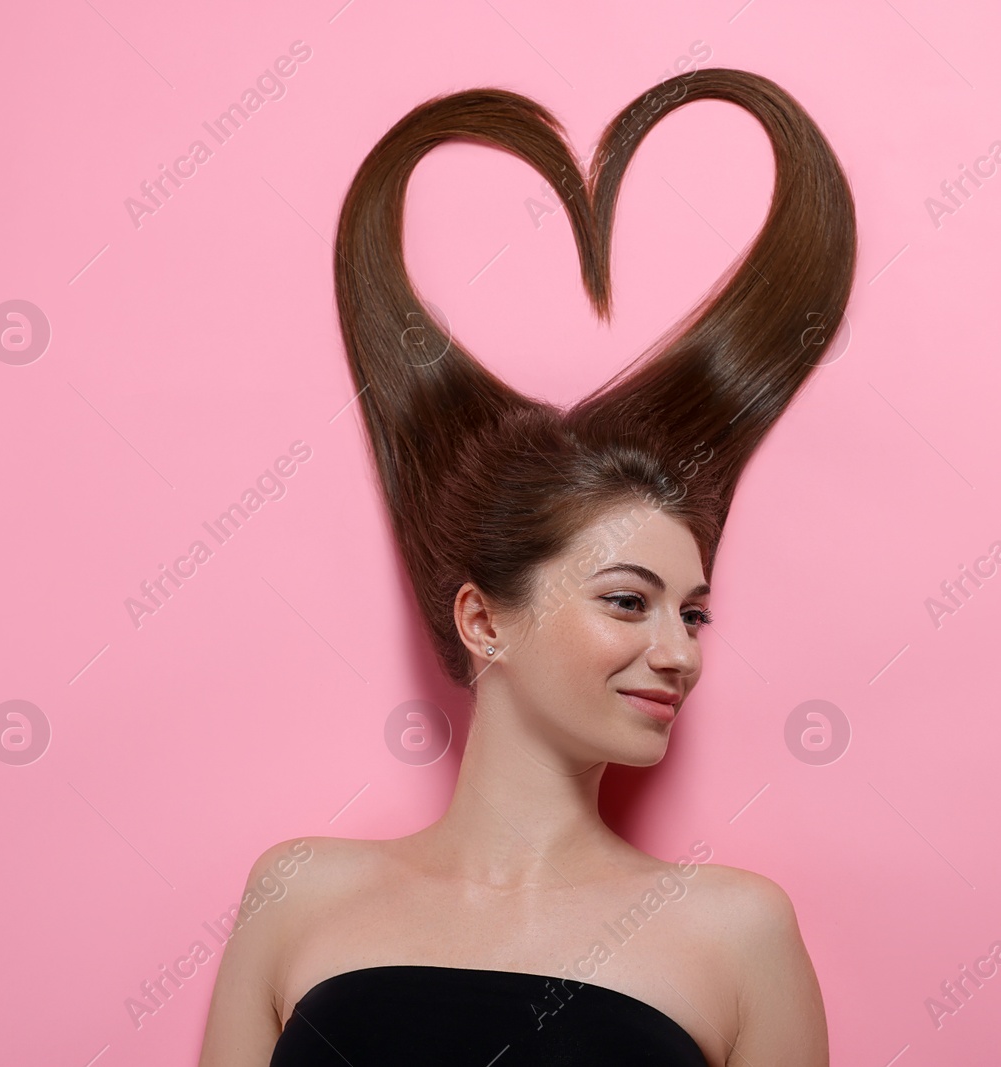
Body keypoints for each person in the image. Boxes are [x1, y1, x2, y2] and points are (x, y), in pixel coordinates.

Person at [196, 65, 856, 1067]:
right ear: (481, 618)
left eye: (695, 613)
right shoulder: (298, 890)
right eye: (629, 600)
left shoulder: (735, 932)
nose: (676, 650)